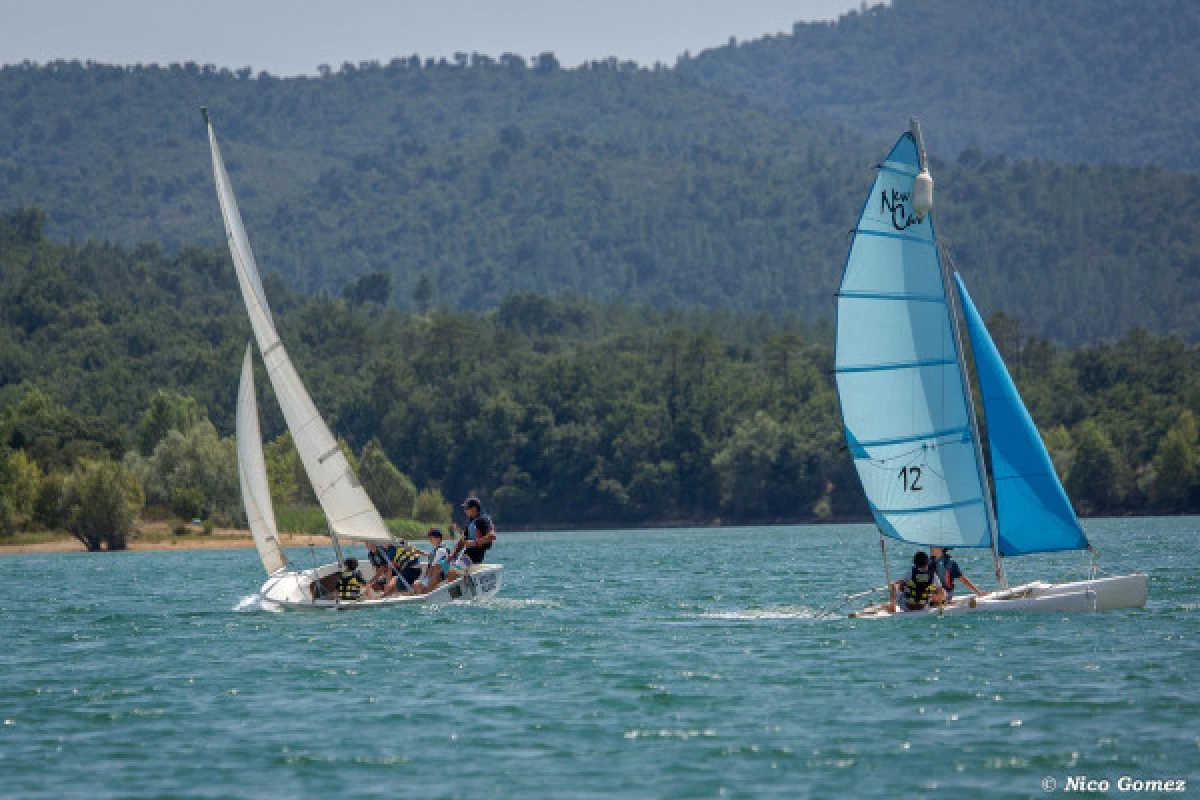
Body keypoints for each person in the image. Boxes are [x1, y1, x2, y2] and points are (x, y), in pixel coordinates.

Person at [452, 496, 496, 566]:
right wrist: (452, 555)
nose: (465, 510)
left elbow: (492, 536)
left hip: (475, 556)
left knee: (453, 571)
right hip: (467, 554)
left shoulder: (482, 520)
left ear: (474, 509)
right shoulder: (469, 522)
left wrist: (474, 542)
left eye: (466, 508)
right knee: (444, 566)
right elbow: (461, 541)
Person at [410, 528, 451, 595]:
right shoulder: (440, 549)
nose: (429, 541)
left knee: (416, 585)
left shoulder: (440, 551)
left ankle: (424, 594)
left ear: (438, 538)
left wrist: (427, 584)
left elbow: (434, 568)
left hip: (435, 577)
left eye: (431, 538)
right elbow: (431, 557)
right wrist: (419, 551)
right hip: (434, 575)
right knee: (416, 584)